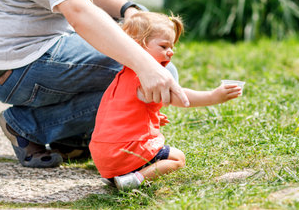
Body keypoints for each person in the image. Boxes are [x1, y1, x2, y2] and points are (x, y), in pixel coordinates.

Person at [0, 0, 189, 168]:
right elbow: (79, 12)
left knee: (151, 67)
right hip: (17, 65)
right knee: (161, 69)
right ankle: (29, 126)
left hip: (29, 53)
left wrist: (131, 11)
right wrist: (146, 65)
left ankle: (68, 136)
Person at [89, 12, 242, 190]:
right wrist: (213, 96)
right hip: (125, 154)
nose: (171, 52)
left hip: (103, 157)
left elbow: (119, 115)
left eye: (171, 46)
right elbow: (181, 97)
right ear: (138, 46)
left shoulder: (122, 76)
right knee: (178, 158)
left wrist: (147, 118)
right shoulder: (145, 80)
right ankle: (135, 179)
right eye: (163, 46)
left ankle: (116, 176)